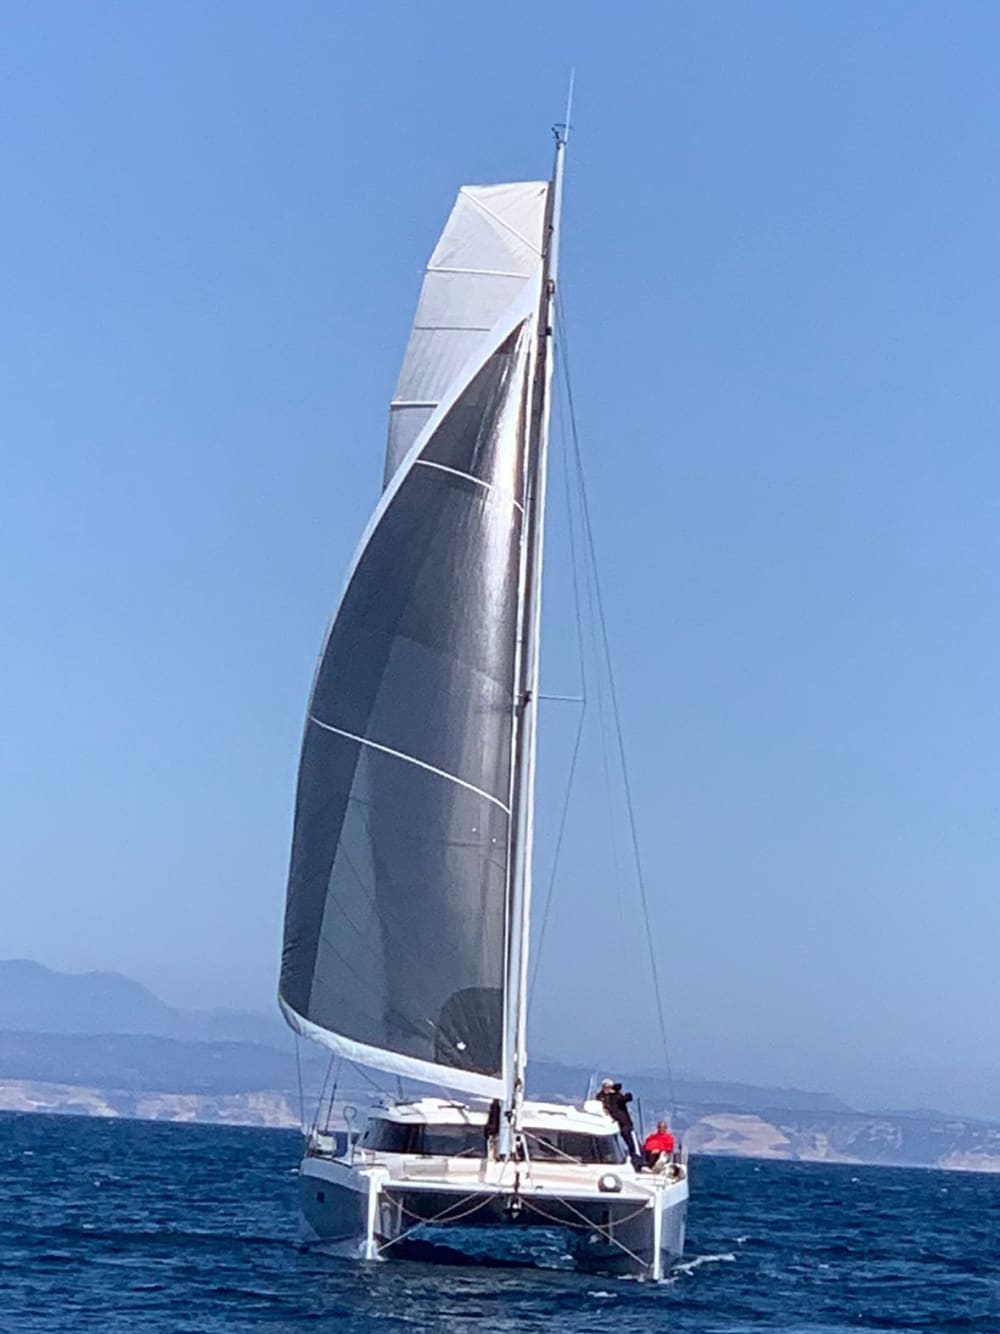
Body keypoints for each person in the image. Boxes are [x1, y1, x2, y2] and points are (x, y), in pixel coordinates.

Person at [597, 1078, 641, 1166]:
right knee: (628, 1142)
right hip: (616, 1123)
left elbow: (625, 1099)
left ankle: (636, 1160)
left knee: (630, 1142)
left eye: (609, 1087)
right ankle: (636, 1160)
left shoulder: (611, 1096)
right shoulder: (605, 1097)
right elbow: (627, 1098)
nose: (607, 1089)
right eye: (606, 1087)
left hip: (622, 1123)